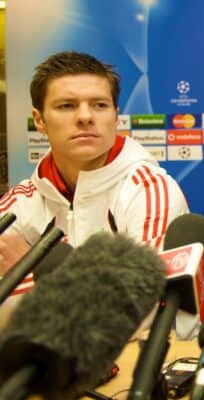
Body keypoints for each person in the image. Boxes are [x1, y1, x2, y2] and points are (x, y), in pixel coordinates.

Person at [0, 51, 190, 330]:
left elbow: (143, 308)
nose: (86, 117)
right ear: (39, 120)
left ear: (116, 115)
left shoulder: (151, 191)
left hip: (140, 363)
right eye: (67, 106)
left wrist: (29, 274)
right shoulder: (20, 202)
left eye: (99, 105)